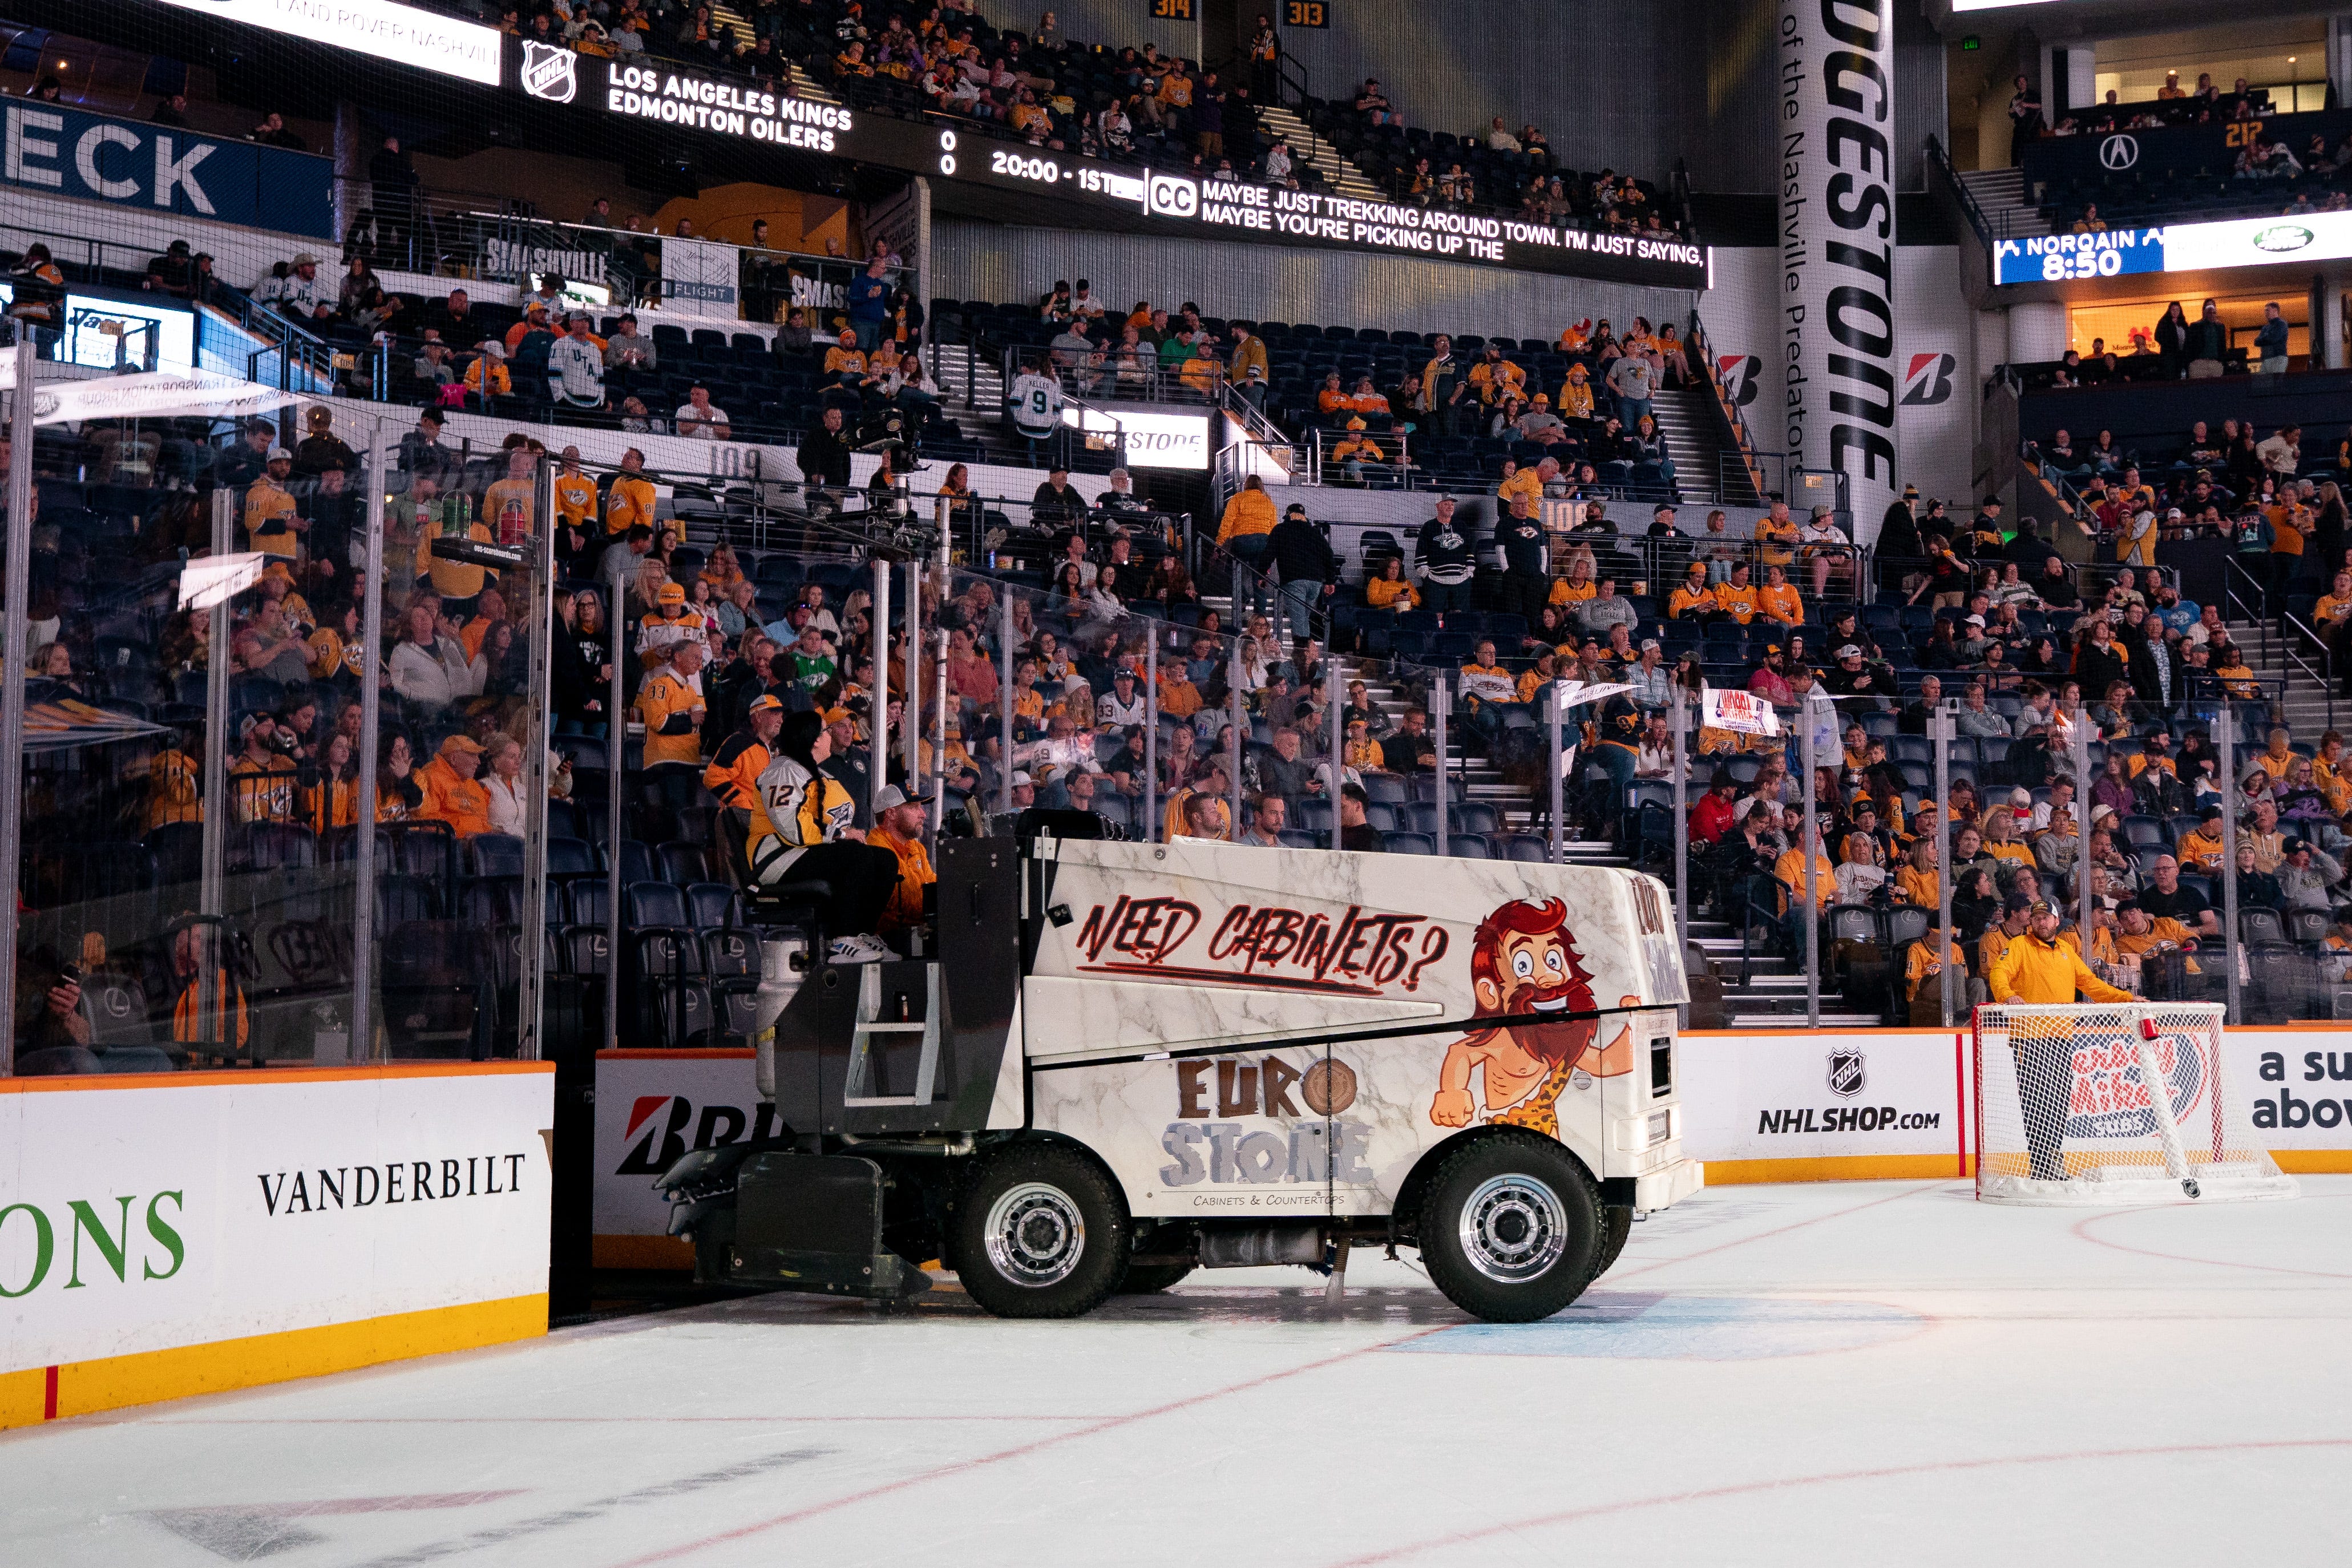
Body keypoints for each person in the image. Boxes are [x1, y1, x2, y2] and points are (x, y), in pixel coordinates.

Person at [1985, 899, 2135, 1181]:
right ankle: (2042, 1165)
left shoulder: (2067, 950)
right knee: (2036, 1104)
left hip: (2062, 1038)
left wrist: (2127, 997)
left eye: (2046, 918)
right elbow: (1999, 973)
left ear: (2057, 922)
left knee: (2059, 1103)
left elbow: (2092, 985)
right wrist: (2007, 996)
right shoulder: (2019, 946)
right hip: (2029, 1038)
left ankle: (2053, 1158)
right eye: (2037, 918)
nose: (2041, 922)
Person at [746, 711, 902, 963]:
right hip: (777, 858)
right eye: (826, 731)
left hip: (802, 852)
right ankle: (842, 940)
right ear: (815, 740)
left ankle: (861, 935)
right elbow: (793, 827)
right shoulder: (784, 771)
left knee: (885, 859)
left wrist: (844, 834)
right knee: (854, 855)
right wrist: (841, 835)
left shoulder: (813, 772)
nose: (830, 735)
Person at [867, 784, 936, 934]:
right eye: (914, 807)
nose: (923, 814)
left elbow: (932, 887)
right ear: (891, 813)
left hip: (913, 935)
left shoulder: (917, 848)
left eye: (921, 807)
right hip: (887, 941)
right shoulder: (877, 849)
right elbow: (903, 903)